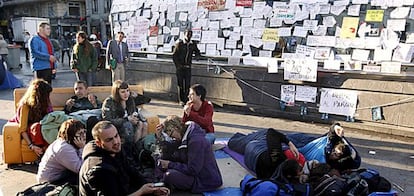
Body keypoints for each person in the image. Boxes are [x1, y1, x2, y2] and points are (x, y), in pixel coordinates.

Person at [79, 121, 170, 196]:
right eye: (109, 140)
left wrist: (153, 189)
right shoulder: (99, 169)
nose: (116, 142)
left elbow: (131, 172)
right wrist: (142, 191)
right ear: (99, 143)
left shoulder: (114, 150)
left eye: (116, 136)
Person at [156, 115, 223, 193]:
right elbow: (169, 150)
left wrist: (170, 164)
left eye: (171, 135)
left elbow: (193, 170)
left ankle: (163, 181)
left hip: (204, 180)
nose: (173, 138)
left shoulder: (196, 141)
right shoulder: (185, 134)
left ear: (176, 128)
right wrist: (160, 138)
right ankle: (160, 180)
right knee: (161, 159)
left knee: (169, 175)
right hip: (194, 173)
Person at [227, 128, 305, 179]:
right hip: (254, 153)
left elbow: (271, 132)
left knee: (235, 142)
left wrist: (289, 143)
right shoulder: (280, 179)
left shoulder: (276, 157)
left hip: (256, 146)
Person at [8, 79, 53, 156]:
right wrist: (31, 145)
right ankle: (41, 153)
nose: (48, 97)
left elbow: (51, 116)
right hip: (31, 128)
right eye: (46, 95)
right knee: (37, 127)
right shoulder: (25, 106)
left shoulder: (46, 102)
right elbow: (22, 129)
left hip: (43, 127)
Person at [36, 119, 86, 185]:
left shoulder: (65, 142)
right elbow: (81, 169)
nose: (84, 135)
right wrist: (82, 148)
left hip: (58, 175)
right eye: (80, 133)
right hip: (50, 182)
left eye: (84, 132)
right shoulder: (65, 148)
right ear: (71, 135)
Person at [172, 29, 200, 106]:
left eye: (190, 34)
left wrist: (197, 55)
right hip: (180, 68)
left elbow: (197, 51)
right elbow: (174, 56)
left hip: (188, 67)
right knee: (180, 85)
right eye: (187, 34)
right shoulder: (180, 44)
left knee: (187, 85)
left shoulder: (192, 44)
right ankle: (181, 100)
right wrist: (178, 66)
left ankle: (186, 99)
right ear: (184, 34)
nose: (189, 36)